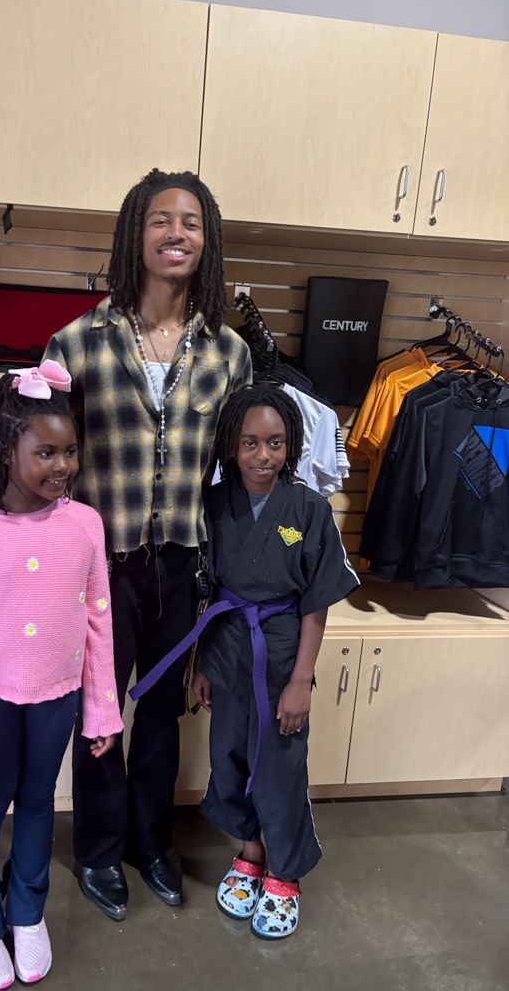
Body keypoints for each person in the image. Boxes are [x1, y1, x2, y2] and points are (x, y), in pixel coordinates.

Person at [44, 169, 251, 921]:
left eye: (191, 222)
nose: (176, 233)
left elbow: (233, 474)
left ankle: (151, 842)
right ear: (136, 231)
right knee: (99, 713)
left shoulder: (229, 353)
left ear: (207, 240)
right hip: (101, 566)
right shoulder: (76, 344)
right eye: (161, 219)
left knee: (162, 712)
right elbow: (47, 467)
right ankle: (99, 850)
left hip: (182, 564)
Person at [0, 360, 123, 990]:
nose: (62, 467)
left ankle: (27, 914)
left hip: (57, 699)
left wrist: (103, 709)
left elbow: (98, 620)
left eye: (70, 452)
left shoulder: (86, 526)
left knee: (38, 805)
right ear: (7, 451)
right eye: (46, 453)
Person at [190, 384, 360, 938]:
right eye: (250, 443)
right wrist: (204, 664)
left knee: (279, 768)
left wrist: (302, 681)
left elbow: (317, 601)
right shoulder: (215, 504)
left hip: (283, 653)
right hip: (228, 647)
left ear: (292, 445)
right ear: (231, 446)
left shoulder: (308, 509)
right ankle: (250, 851)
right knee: (229, 758)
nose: (263, 455)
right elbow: (210, 590)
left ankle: (285, 873)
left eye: (275, 443)